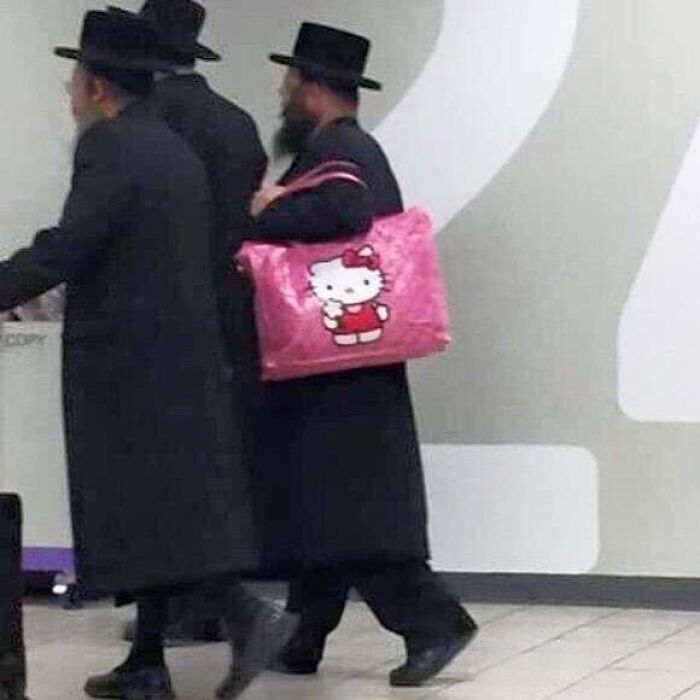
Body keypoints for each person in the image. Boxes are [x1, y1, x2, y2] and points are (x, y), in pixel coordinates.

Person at [0, 11, 292, 699]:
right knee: (161, 508)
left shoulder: (109, 147)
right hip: (177, 356)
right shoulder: (170, 148)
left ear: (97, 85)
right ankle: (148, 664)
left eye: (74, 76)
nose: (68, 89)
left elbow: (72, 244)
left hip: (126, 365)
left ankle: (247, 617)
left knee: (148, 510)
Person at [248, 22, 478, 688]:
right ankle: (301, 636)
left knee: (352, 511)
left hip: (342, 374)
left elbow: (343, 212)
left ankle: (435, 623)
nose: (283, 90)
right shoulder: (339, 146)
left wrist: (268, 211)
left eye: (290, 80)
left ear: (314, 90)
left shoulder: (342, 150)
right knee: (323, 505)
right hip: (345, 363)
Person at [103, 0, 268, 650]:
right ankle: (205, 608)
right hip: (232, 317)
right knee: (215, 471)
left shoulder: (142, 125)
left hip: (157, 323)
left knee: (155, 477)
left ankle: (174, 615)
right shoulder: (238, 123)